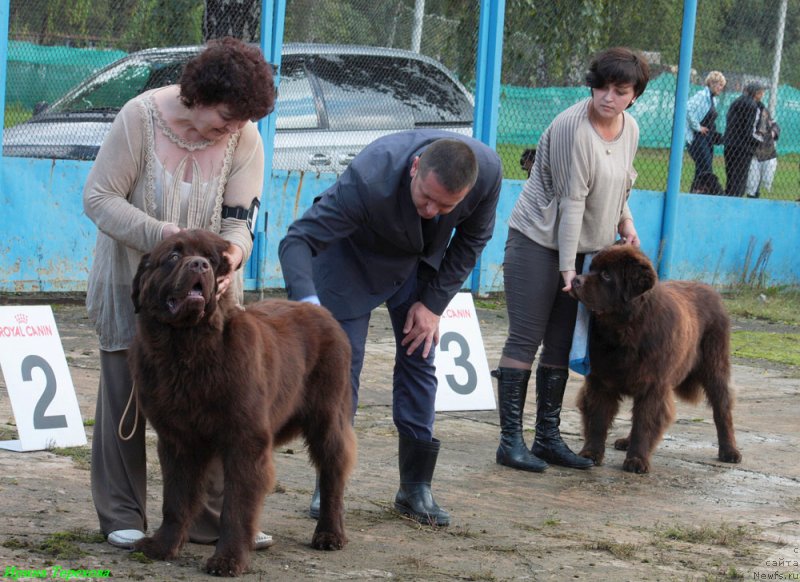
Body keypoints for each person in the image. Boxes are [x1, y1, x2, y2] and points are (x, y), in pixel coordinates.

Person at [83, 37, 275, 550]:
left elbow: (241, 221)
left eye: (241, 121)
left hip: (208, 290)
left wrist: (232, 257)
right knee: (127, 395)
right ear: (199, 94)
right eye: (227, 117)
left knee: (217, 402)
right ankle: (122, 511)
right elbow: (98, 198)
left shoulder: (245, 138)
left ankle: (214, 519)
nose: (232, 128)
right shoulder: (139, 117)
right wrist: (163, 240)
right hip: (137, 275)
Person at [279, 130, 502, 526]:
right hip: (350, 259)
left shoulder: (486, 172)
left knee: (421, 355)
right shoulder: (369, 178)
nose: (432, 210)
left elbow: (472, 241)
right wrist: (309, 308)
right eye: (426, 198)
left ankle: (415, 488)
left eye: (445, 205)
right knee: (342, 367)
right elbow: (297, 240)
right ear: (415, 168)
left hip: (417, 264)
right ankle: (330, 481)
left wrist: (433, 304)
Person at [493, 47, 650, 473]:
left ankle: (547, 437)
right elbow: (571, 204)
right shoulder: (572, 129)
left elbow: (622, 184)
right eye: (601, 87)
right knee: (526, 338)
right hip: (538, 240)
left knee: (562, 342)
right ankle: (510, 441)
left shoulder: (630, 129)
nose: (608, 97)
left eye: (620, 90)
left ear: (634, 94)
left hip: (583, 248)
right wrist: (568, 269)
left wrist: (626, 222)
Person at [686, 71, 726, 193]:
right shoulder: (702, 96)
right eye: (719, 85)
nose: (721, 89)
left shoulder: (712, 99)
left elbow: (710, 122)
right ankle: (700, 191)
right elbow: (688, 109)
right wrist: (698, 127)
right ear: (712, 84)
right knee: (705, 167)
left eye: (722, 86)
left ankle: (695, 193)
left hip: (707, 138)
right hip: (697, 138)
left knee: (702, 168)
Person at [724, 82, 766, 197]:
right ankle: (735, 203)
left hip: (730, 144)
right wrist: (760, 142)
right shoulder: (752, 105)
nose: (762, 95)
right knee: (739, 181)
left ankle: (728, 200)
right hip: (743, 148)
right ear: (756, 93)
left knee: (731, 178)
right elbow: (749, 131)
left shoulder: (736, 101)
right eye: (761, 93)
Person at [745, 101, 780, 198]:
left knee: (764, 177)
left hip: (766, 150)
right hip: (753, 151)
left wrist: (773, 132)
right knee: (752, 180)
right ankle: (752, 196)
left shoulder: (763, 110)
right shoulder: (748, 112)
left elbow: (775, 125)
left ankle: (757, 194)